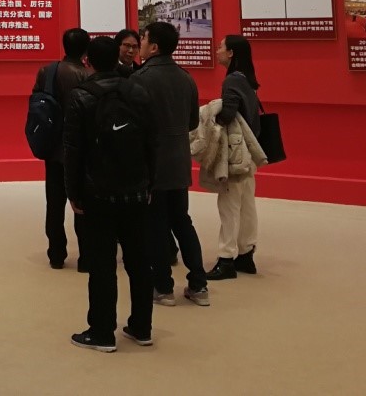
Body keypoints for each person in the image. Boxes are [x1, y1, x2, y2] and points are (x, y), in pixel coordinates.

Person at [63, 35, 156, 353]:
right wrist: (150, 183)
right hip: (136, 190)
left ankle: (102, 332)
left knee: (102, 264)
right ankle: (142, 327)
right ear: (116, 57)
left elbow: (73, 150)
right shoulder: (139, 91)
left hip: (98, 192)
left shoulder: (81, 96)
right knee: (139, 261)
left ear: (88, 61)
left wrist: (73, 192)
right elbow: (152, 142)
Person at [135, 21, 209, 307]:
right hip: (178, 162)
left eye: (143, 39)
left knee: (156, 225)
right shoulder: (186, 78)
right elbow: (192, 122)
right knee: (182, 221)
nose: (140, 44)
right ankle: (199, 284)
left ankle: (163, 287)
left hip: (152, 163)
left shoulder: (140, 79)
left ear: (153, 46)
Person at [204, 36, 264, 280]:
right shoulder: (246, 79)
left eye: (221, 46)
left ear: (230, 53)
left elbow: (227, 113)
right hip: (249, 152)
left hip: (235, 154)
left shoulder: (231, 80)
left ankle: (226, 258)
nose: (217, 50)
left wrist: (211, 118)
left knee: (229, 206)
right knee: (247, 205)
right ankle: (246, 254)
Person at [33, 28, 91, 270]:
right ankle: (86, 257)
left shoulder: (47, 71)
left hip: (53, 146)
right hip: (80, 149)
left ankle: (56, 254)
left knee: (54, 204)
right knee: (82, 204)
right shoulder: (88, 76)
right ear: (86, 49)